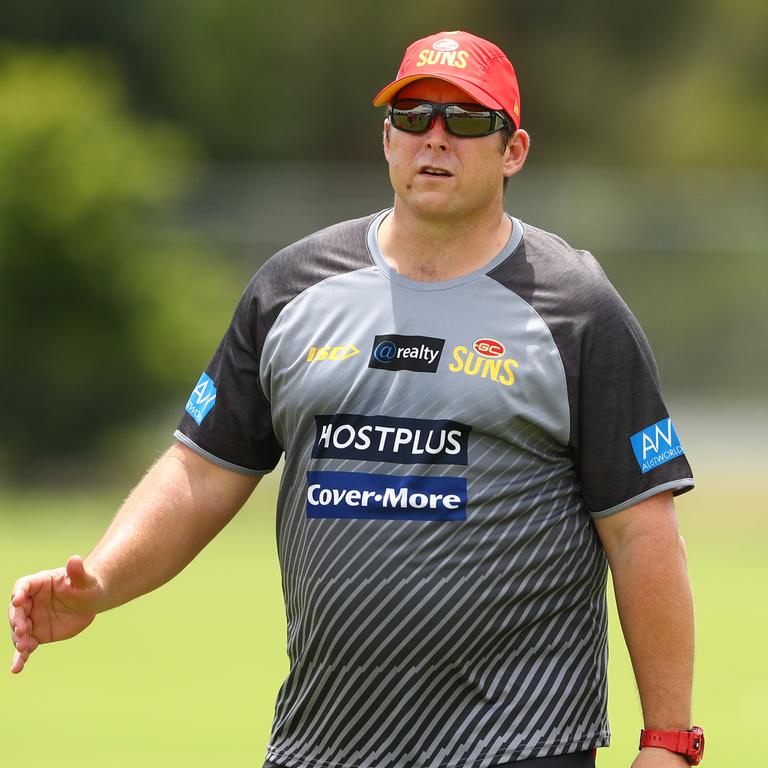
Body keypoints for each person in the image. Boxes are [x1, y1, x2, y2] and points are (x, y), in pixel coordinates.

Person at [8, 30, 703, 768]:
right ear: (386, 138)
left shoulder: (576, 307)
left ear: (513, 151)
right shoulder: (291, 287)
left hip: (516, 740)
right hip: (324, 741)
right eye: (414, 117)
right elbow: (201, 471)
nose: (435, 139)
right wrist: (103, 582)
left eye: (466, 121)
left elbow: (641, 532)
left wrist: (668, 740)